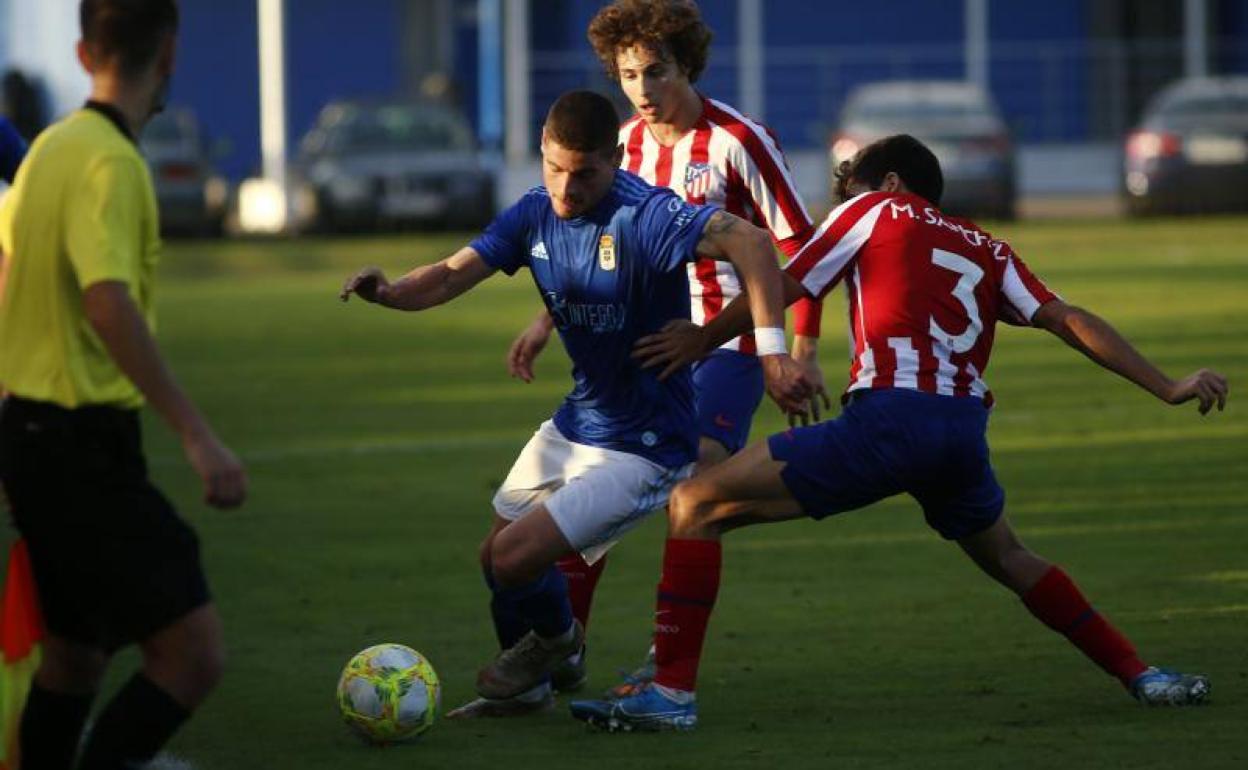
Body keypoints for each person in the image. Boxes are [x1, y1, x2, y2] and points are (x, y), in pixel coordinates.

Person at [569, 134, 1228, 731]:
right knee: (1010, 556)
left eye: (851, 188)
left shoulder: (874, 210)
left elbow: (786, 276)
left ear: (887, 183)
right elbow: (1065, 317)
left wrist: (703, 337)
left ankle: (671, 693)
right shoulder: (987, 246)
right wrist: (1167, 384)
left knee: (695, 502)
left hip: (889, 420)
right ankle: (1143, 674)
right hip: (962, 433)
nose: (843, 201)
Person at [340, 90, 813, 719]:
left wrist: (769, 350)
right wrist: (390, 293)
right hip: (579, 421)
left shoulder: (648, 214)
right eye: (556, 169)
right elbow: (453, 273)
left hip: (645, 444)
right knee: (494, 559)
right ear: (542, 152)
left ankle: (563, 645)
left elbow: (755, 244)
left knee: (514, 559)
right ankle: (534, 687)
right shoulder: (534, 213)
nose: (567, 188)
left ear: (614, 160)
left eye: (585, 173)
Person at [504, 0, 827, 699]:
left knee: (695, 485)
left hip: (731, 344)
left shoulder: (740, 140)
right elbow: (590, 244)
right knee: (590, 495)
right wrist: (544, 319)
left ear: (688, 66)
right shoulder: (623, 146)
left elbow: (802, 252)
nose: (643, 89)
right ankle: (560, 657)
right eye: (628, 74)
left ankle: (664, 658)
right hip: (648, 345)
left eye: (657, 71)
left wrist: (799, 347)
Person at [0, 1, 248, 767]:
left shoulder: (48, 150)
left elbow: (8, 281)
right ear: (169, 53)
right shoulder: (111, 163)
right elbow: (106, 301)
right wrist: (196, 434)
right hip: (83, 448)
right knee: (193, 654)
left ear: (82, 53)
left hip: (32, 437)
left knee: (75, 658)